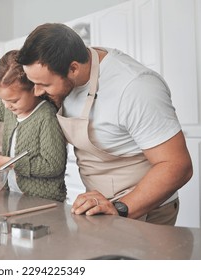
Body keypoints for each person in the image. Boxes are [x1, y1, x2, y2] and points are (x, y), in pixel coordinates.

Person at [16, 23, 193, 225]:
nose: (37, 92)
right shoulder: (65, 67)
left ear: (73, 68)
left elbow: (177, 166)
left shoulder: (135, 88)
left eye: (44, 84)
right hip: (97, 206)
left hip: (143, 209)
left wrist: (120, 208)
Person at [0, 50, 67, 202]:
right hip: (14, 195)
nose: (7, 106)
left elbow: (53, 165)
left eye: (14, 101)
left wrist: (11, 162)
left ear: (35, 89)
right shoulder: (10, 107)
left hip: (43, 201)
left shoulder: (46, 117)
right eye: (2, 100)